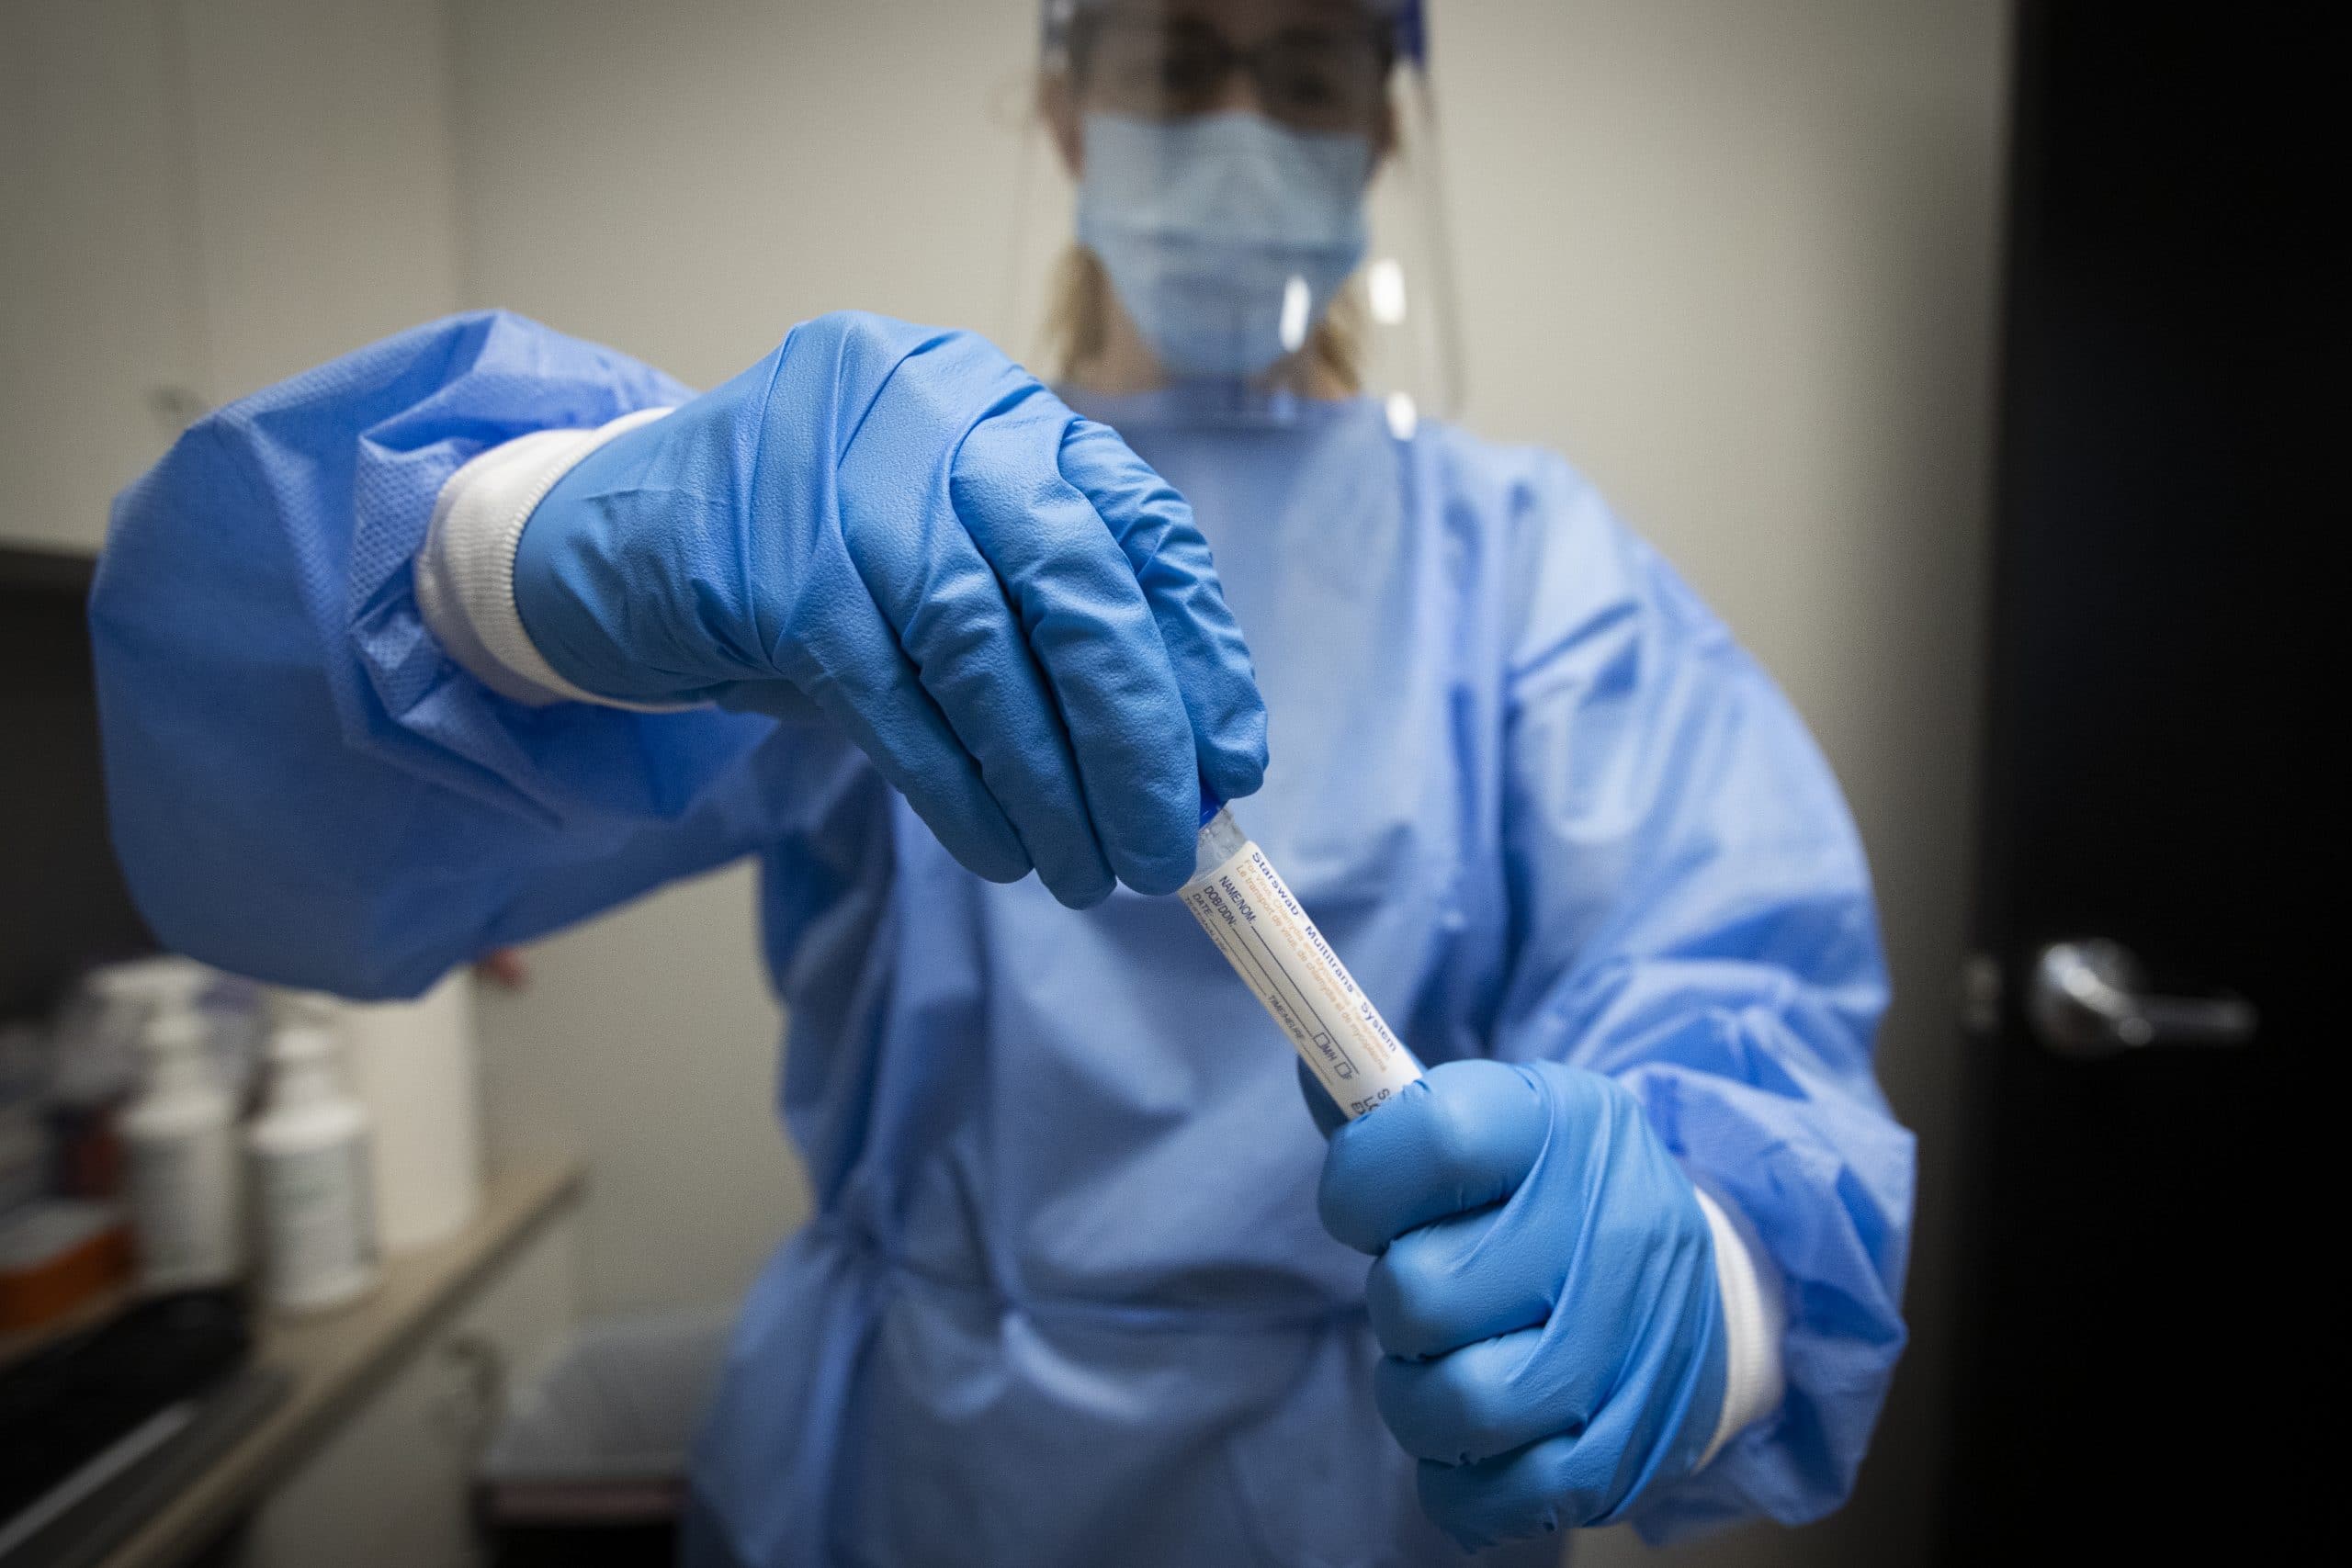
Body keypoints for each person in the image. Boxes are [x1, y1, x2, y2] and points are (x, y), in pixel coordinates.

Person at [89, 2, 1912, 1562]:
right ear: (1062, 103)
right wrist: (502, 562)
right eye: (1177, 57)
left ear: (1380, 128)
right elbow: (248, 814)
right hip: (915, 1480)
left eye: (1303, 71)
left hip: (1364, 1487)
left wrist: (1711, 1282)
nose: (1236, 123)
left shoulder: (1520, 570)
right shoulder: (883, 526)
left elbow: (1741, 993)